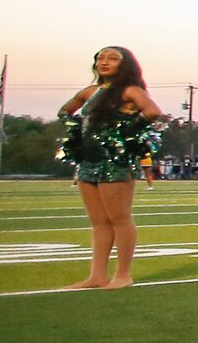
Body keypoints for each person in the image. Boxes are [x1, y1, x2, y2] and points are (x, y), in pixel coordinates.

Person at [55, 45, 165, 289]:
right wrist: (75, 128)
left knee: (120, 218)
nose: (104, 62)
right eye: (100, 58)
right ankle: (97, 276)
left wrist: (125, 132)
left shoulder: (130, 91)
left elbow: (153, 112)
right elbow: (64, 111)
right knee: (98, 222)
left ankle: (123, 275)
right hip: (88, 160)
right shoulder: (90, 91)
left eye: (113, 58)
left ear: (125, 65)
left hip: (115, 161)